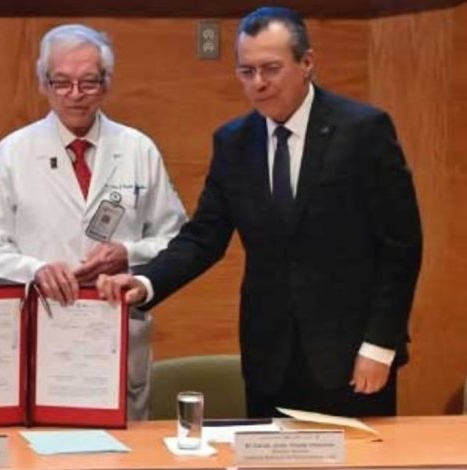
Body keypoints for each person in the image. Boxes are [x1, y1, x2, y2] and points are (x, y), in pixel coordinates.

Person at [97, 7, 422, 418]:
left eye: (271, 69)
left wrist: (380, 344)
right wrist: (146, 282)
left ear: (307, 63)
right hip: (270, 358)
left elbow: (401, 247)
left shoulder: (363, 130)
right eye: (246, 71)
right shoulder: (234, 141)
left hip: (353, 356)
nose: (258, 83)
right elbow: (203, 238)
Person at [0, 24, 187, 420]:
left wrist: (128, 254)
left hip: (116, 326)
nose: (75, 94)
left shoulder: (137, 149)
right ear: (43, 83)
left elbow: (176, 240)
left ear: (106, 84)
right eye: (62, 82)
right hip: (43, 326)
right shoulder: (13, 152)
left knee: (122, 445)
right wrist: (37, 270)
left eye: (88, 82)